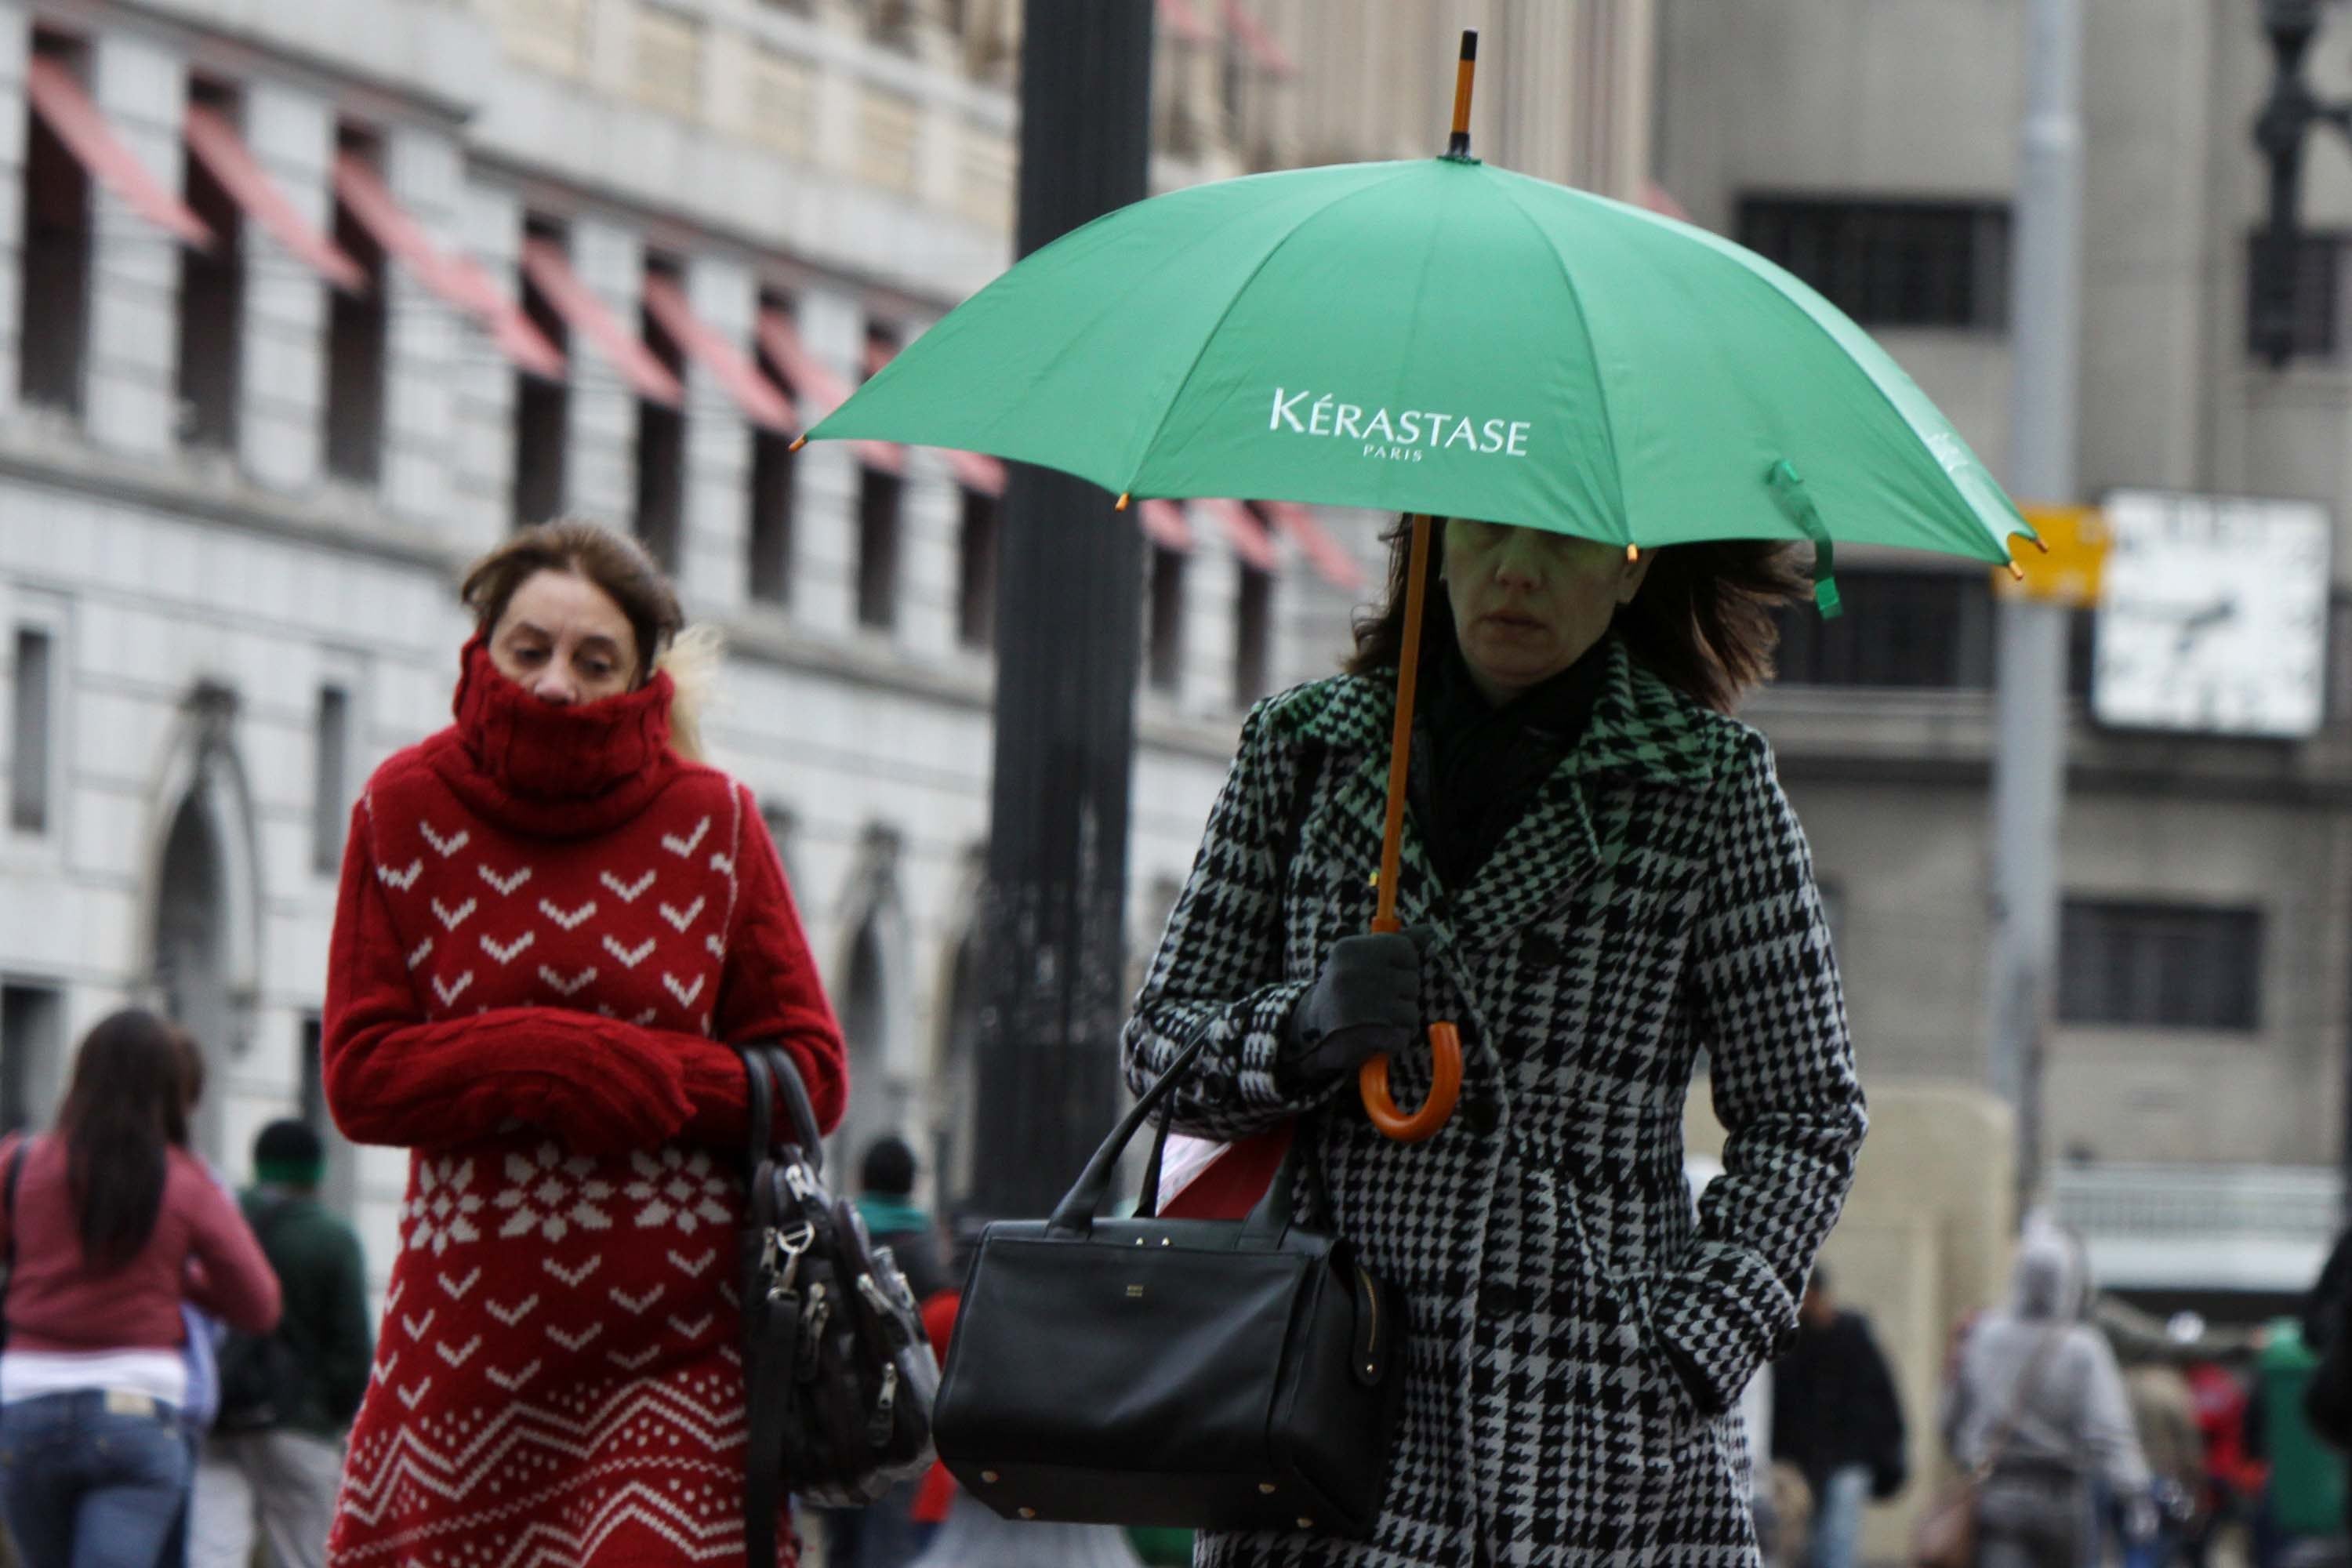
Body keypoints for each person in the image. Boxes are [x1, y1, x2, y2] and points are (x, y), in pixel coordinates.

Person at [1123, 517, 1867, 1568]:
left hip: (1594, 1445)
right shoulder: (1307, 749)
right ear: (1434, 546)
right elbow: (1159, 1049)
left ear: (1630, 569)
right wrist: (1300, 1025)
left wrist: (1687, 1351)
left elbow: (1807, 1114)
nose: (1517, 571)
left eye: (1563, 542)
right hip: (1323, 1417)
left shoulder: (1708, 786)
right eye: (1486, 532)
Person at [318, 521, 848, 1566]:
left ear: (643, 678)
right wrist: (544, 1057)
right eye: (531, 650)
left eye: (594, 661)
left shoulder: (717, 822)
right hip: (467, 1351)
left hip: (682, 1348)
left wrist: (655, 1077)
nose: (556, 683)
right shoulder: (399, 808)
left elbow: (812, 1074)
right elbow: (361, 1075)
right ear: (482, 648)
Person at [0, 1010, 281, 1568]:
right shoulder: (184, 1179)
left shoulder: (20, 1163)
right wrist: (178, 1277)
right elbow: (259, 1304)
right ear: (169, 1090)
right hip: (139, 1406)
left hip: (28, 1402)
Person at [188, 1120, 371, 1568]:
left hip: (219, 1416)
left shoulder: (222, 1221)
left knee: (214, 1550)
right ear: (317, 1171)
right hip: (299, 1423)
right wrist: (329, 1415)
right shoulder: (332, 1238)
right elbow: (352, 1350)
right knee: (304, 1553)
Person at [1942, 1220, 2153, 1568]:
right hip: (2062, 1499)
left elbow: (1951, 1416)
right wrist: (2134, 1494)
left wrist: (1967, 1454)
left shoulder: (1985, 1337)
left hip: (1999, 1494)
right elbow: (2109, 1432)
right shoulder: (2083, 1348)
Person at [818, 1136, 949, 1568]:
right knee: (888, 1541)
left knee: (841, 1540)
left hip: (838, 1409)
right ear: (912, 1185)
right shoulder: (929, 1253)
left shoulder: (835, 1238)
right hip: (903, 1416)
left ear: (861, 1178)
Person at [1771, 1262, 1907, 1568]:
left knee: (1837, 1541)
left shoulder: (1853, 1336)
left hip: (1848, 1457)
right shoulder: (1793, 1344)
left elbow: (1881, 1400)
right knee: (1803, 1543)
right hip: (1803, 1460)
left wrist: (1883, 1453)